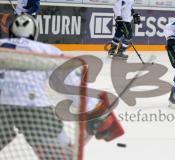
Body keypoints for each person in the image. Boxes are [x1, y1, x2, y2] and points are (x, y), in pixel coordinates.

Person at [0, 14, 124, 159]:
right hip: (33, 106)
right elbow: (69, 83)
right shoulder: (46, 50)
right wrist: (94, 110)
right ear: (35, 33)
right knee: (59, 155)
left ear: (10, 31)